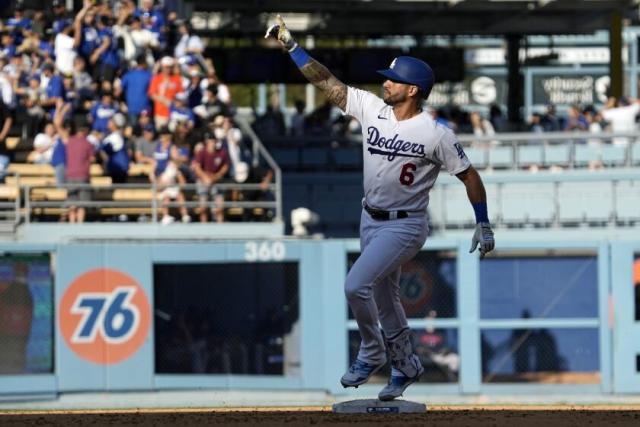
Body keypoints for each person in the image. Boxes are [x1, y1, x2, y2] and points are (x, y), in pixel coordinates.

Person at [266, 15, 495, 401]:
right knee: (387, 299)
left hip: (406, 225)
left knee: (356, 285)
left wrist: (483, 222)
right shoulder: (374, 109)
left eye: (392, 79)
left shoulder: (436, 134)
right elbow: (327, 82)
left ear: (412, 90)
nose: (384, 82)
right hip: (370, 217)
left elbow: (470, 176)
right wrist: (292, 46)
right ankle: (406, 365)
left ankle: (372, 350)